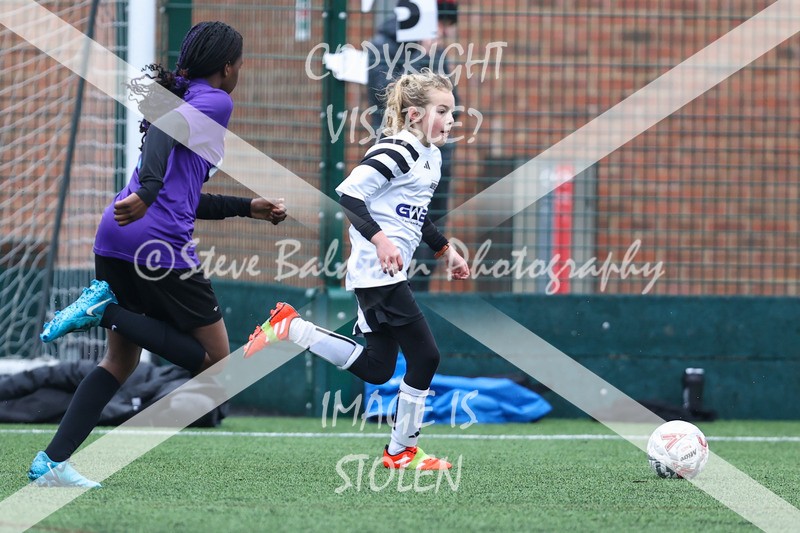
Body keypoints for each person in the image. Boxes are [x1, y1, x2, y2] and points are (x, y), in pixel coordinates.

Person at [29, 21, 286, 488]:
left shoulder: (184, 96)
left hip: (116, 234)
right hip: (157, 244)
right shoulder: (215, 100)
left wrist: (247, 208)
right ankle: (106, 310)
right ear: (227, 68)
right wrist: (148, 190)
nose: (240, 72)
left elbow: (184, 195)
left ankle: (52, 461)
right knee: (217, 364)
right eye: (240, 63)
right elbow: (165, 162)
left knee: (120, 363)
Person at [244, 69, 469, 470]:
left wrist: (445, 249)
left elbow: (416, 216)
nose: (451, 120)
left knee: (378, 368)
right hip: (378, 272)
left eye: (453, 112)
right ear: (415, 115)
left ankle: (291, 327)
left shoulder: (430, 157)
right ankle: (401, 451)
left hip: (382, 276)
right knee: (426, 358)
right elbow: (348, 193)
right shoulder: (398, 149)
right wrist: (381, 240)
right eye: (442, 111)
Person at [367, 0, 459, 292]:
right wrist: (424, 56)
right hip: (402, 155)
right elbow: (389, 97)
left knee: (431, 223)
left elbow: (445, 98)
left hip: (435, 155)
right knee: (398, 222)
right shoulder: (383, 46)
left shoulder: (437, 53)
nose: (444, 33)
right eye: (441, 25)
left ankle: (418, 291)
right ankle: (396, 288)